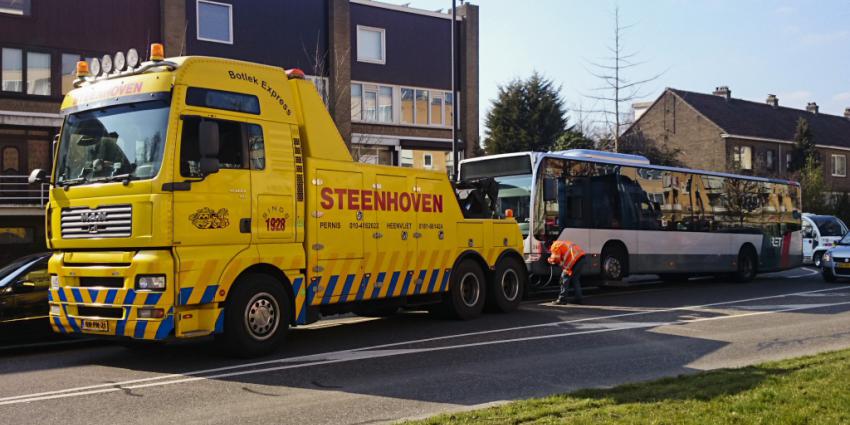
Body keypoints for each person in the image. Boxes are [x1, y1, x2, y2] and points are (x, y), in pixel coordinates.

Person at [548, 240, 585, 305]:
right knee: (575, 279)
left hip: (574, 259)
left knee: (564, 277)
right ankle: (578, 299)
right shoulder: (560, 242)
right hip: (581, 258)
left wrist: (549, 260)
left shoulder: (554, 246)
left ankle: (562, 299)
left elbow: (556, 259)